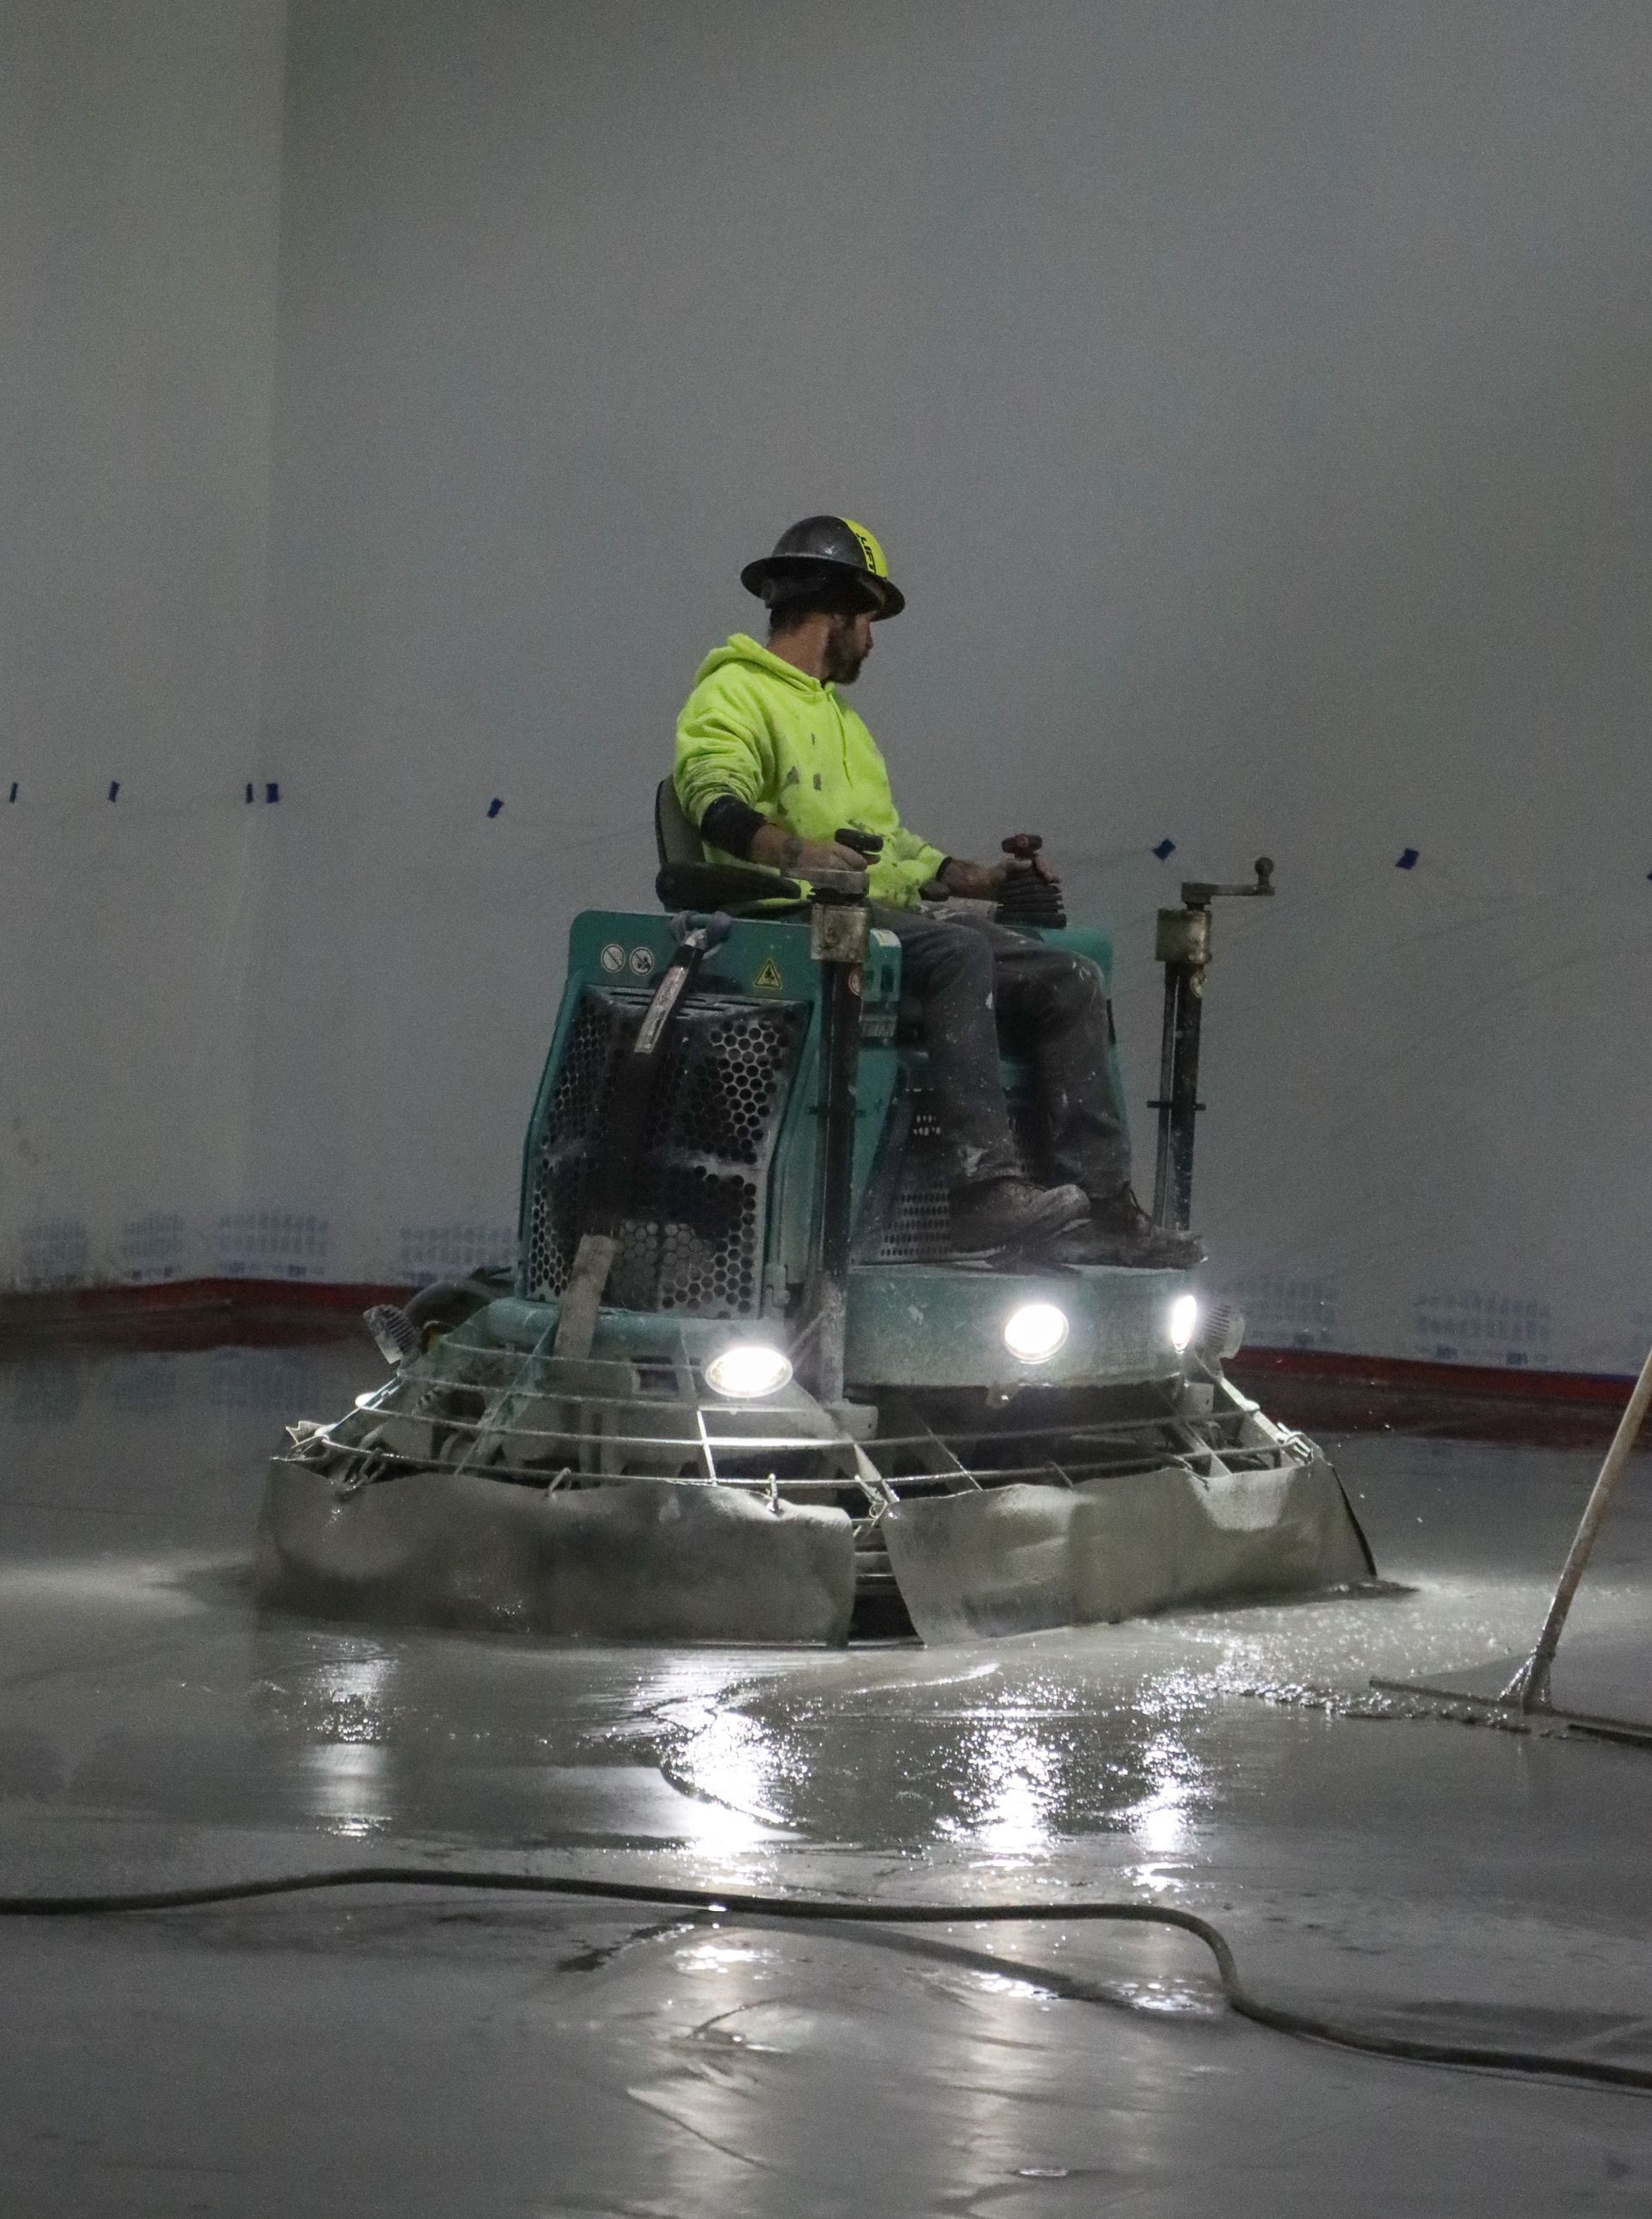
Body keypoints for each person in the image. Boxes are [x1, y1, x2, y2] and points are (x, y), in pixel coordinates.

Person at [673, 515, 1200, 1267]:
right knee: (955, 954)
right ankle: (985, 1193)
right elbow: (711, 799)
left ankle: (1104, 1204)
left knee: (1070, 979)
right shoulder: (732, 696)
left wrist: (978, 879)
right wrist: (798, 853)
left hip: (868, 914)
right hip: (787, 919)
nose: (874, 640)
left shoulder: (843, 724)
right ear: (835, 607)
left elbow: (887, 847)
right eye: (869, 618)